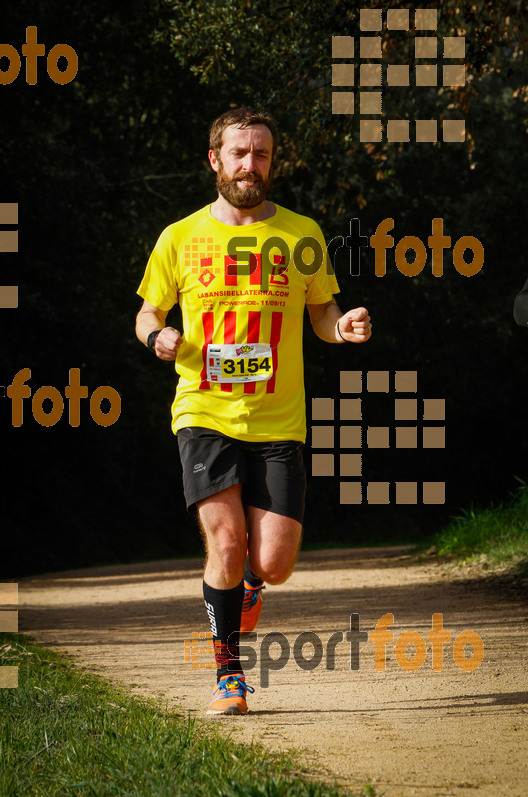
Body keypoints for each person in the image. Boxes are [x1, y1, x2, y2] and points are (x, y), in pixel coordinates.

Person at [135, 107, 372, 715]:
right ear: (216, 160)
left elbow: (322, 313)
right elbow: (146, 312)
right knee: (227, 540)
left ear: (272, 160)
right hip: (204, 411)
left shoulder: (302, 235)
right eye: (239, 154)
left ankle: (247, 588)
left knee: (273, 562)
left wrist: (341, 327)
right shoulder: (179, 237)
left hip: (278, 420)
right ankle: (229, 676)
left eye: (261, 154)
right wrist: (156, 336)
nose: (250, 165)